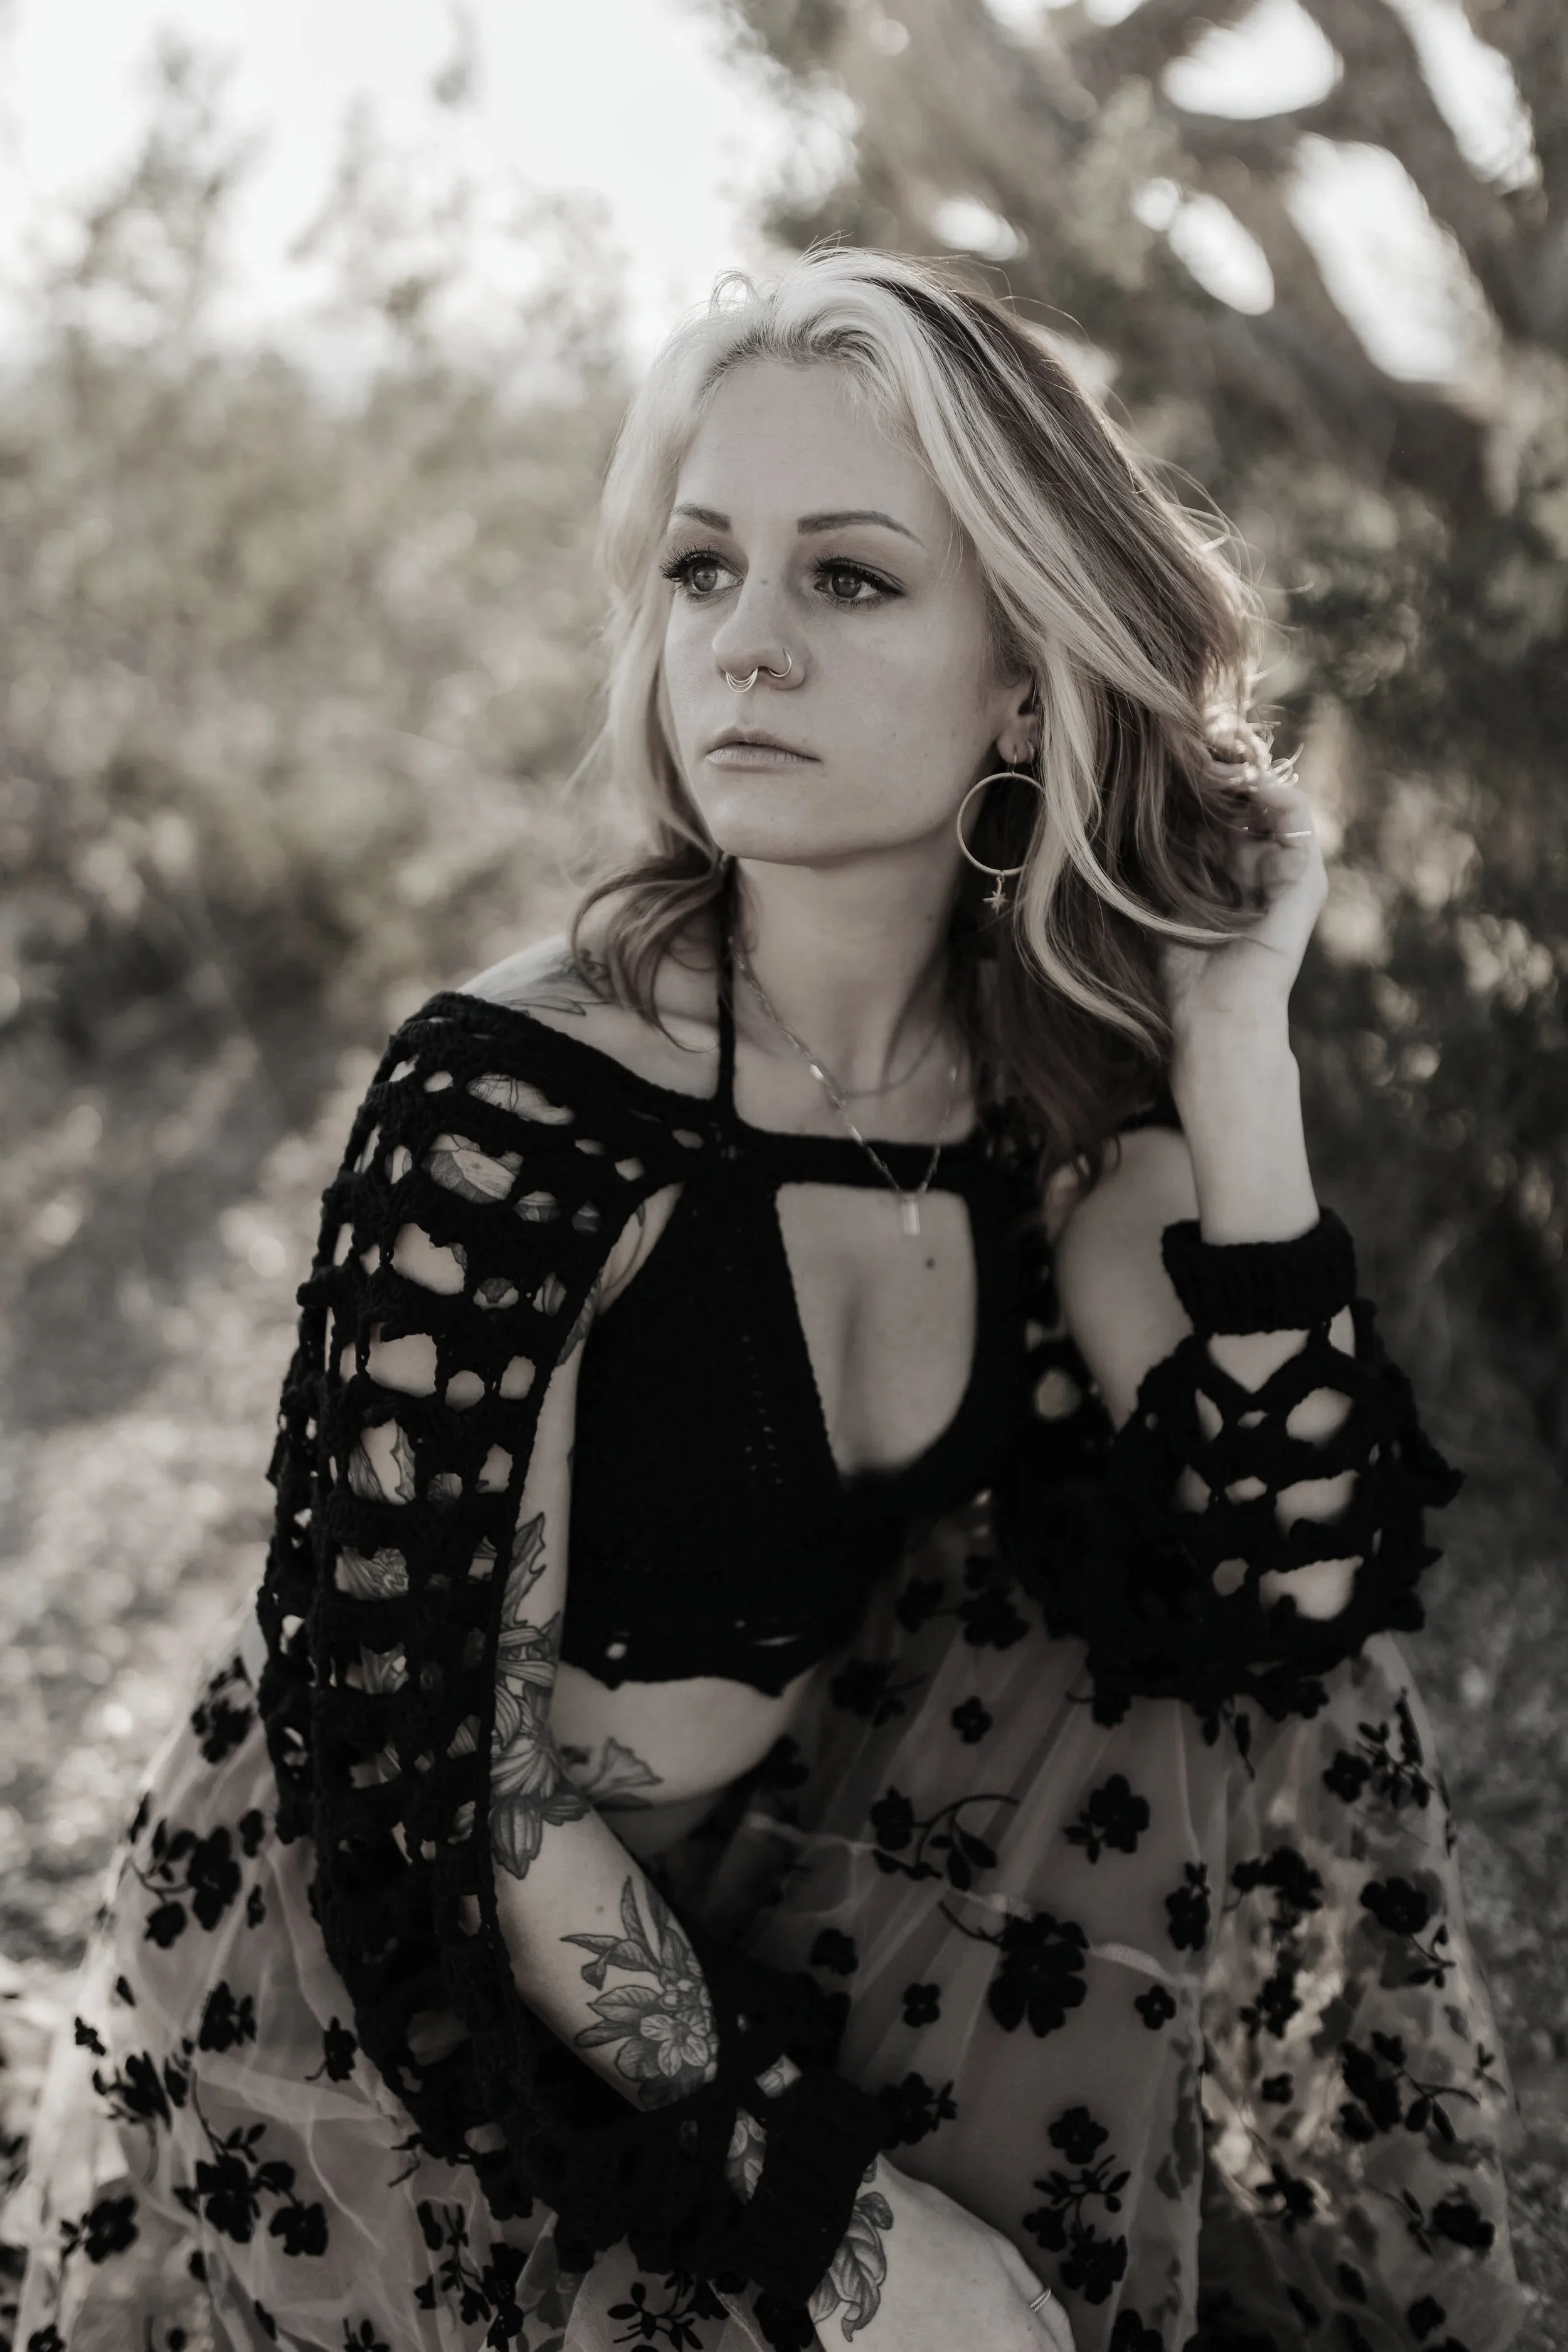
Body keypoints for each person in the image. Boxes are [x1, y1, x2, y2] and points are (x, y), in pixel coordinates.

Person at [4, 248, 1523, 2352]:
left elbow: (1291, 1605)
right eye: (703, 567)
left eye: (850, 578)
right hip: (424, 1955)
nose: (746, 642)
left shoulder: (1053, 1098)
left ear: (1025, 681)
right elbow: (443, 1792)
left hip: (782, 1884)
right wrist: (844, 2221)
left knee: (1164, 1610)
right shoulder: (524, 1103)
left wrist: (1236, 1046)